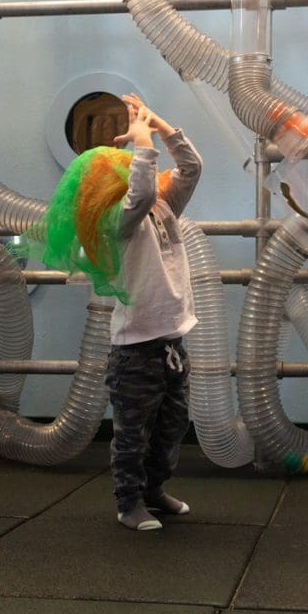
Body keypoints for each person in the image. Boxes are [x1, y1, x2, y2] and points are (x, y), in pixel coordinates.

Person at [103, 93, 202, 531]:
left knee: (171, 425)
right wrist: (142, 144)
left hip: (171, 342)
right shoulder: (119, 220)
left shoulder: (164, 208)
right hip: (135, 350)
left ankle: (153, 489)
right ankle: (128, 503)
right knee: (133, 433)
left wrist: (161, 126)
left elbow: (192, 168)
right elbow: (139, 194)